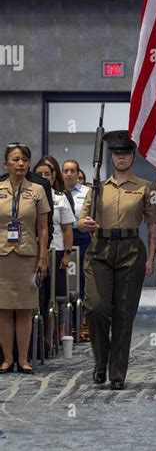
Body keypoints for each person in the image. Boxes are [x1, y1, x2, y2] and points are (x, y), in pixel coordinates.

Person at [78, 131, 156, 390]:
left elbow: (153, 224)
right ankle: (101, 361)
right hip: (100, 249)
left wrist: (151, 259)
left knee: (124, 315)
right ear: (111, 157)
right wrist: (84, 224)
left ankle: (117, 373)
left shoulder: (146, 187)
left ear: (132, 156)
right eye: (116, 153)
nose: (121, 156)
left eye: (125, 152)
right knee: (96, 308)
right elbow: (81, 221)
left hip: (131, 250)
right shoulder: (97, 187)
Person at [0, 145, 50, 374]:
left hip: (28, 255)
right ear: (6, 164)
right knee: (3, 309)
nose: (21, 163)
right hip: (2, 256)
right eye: (15, 159)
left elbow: (43, 228)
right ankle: (7, 359)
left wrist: (43, 258)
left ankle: (24, 359)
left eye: (24, 160)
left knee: (25, 309)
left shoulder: (38, 189)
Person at [33, 156, 75, 341]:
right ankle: (36, 337)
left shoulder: (60, 197)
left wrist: (67, 254)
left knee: (54, 297)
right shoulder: (29, 195)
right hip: (32, 251)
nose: (43, 176)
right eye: (39, 174)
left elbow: (67, 229)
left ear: (53, 176)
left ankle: (51, 337)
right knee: (37, 296)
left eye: (47, 174)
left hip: (56, 251)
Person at [62, 159, 91, 301]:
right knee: (63, 278)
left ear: (78, 173)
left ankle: (82, 315)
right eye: (66, 171)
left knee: (81, 276)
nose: (69, 174)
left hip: (82, 238)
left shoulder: (87, 192)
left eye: (72, 171)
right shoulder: (56, 192)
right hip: (60, 238)